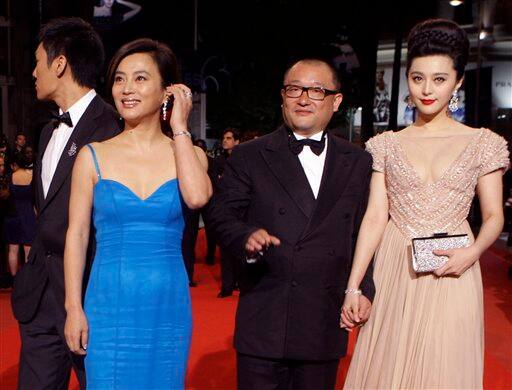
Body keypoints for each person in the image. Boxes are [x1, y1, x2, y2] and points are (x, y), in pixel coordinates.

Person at [343, 19, 509, 389]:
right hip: (394, 267)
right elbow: (374, 218)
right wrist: (354, 286)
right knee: (387, 367)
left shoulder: (484, 143)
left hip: (456, 266)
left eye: (439, 79)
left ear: (458, 81)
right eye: (417, 79)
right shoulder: (386, 145)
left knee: (445, 367)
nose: (427, 90)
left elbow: (495, 216)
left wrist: (474, 252)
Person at [208, 58, 375, 389]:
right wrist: (246, 235)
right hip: (265, 312)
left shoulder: (358, 161)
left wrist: (363, 289)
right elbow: (220, 215)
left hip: (323, 316)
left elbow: (364, 233)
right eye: (294, 89)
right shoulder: (250, 155)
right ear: (283, 96)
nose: (303, 98)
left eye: (316, 90)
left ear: (336, 101)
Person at [63, 38, 211, 389]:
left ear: (166, 92)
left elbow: (197, 197)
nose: (126, 89)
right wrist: (73, 308)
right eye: (119, 79)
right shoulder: (92, 155)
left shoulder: (188, 154)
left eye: (141, 78)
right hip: (107, 306)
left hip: (167, 306)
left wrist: (179, 127)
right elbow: (77, 235)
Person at [10, 17, 121, 389]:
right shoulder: (46, 132)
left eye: (38, 60)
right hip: (40, 296)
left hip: (91, 296)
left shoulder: (114, 127)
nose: (33, 71)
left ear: (60, 64)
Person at [211, 128, 241, 296]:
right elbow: (216, 182)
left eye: (229, 138)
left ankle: (240, 281)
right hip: (224, 208)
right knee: (225, 249)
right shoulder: (218, 161)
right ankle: (227, 286)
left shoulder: (244, 159)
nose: (225, 141)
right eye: (224, 138)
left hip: (242, 210)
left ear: (237, 141)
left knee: (242, 248)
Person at [3, 153, 36, 275]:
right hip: (28, 215)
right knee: (28, 250)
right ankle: (27, 280)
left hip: (12, 216)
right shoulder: (33, 176)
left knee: (13, 249)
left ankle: (13, 279)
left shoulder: (11, 176)